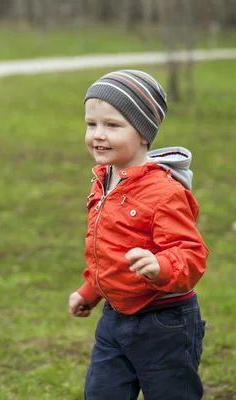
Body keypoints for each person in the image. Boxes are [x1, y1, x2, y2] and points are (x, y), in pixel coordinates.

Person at [68, 69, 209, 400]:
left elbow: (191, 254)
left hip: (164, 322)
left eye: (112, 125)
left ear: (144, 132)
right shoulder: (104, 180)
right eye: (92, 124)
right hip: (114, 320)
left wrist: (160, 267)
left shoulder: (163, 192)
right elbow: (110, 250)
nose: (98, 135)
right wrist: (91, 290)